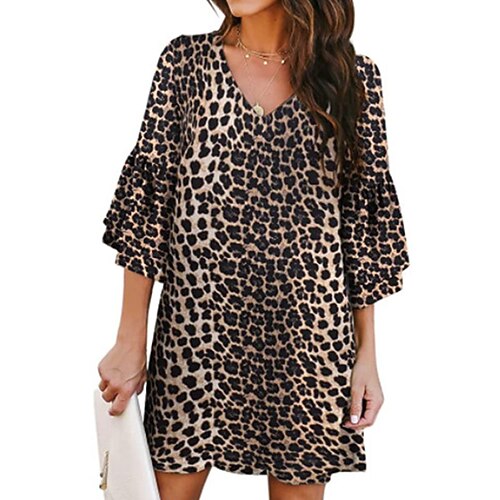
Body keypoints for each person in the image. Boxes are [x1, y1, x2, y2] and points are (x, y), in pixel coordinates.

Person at [97, 1, 410, 499]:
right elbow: (149, 204)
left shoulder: (352, 78)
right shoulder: (185, 64)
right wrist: (130, 337)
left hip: (308, 341)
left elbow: (362, 229)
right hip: (196, 333)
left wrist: (366, 354)